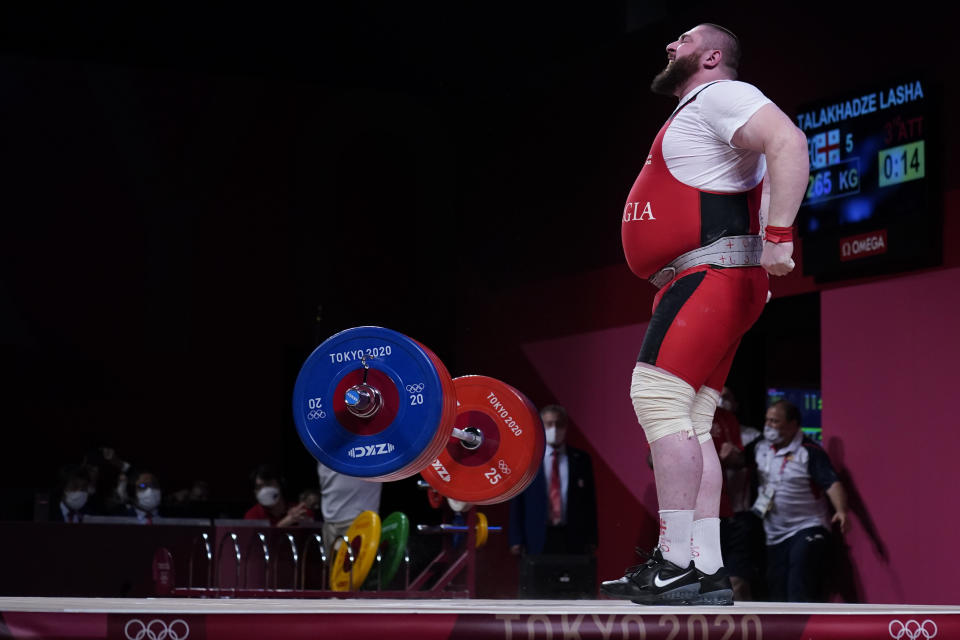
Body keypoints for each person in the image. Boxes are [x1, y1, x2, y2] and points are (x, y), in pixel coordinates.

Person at [600, 23, 809, 606]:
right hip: (713, 277)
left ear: (712, 57)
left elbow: (790, 144)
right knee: (691, 419)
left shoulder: (721, 94)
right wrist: (762, 258)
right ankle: (707, 567)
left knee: (657, 397)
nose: (671, 45)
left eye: (684, 40)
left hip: (710, 276)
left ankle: (672, 564)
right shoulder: (707, 111)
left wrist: (778, 240)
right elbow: (768, 169)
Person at [746, 400, 849, 601]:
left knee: (799, 584)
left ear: (793, 425)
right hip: (774, 534)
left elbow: (832, 483)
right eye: (767, 420)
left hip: (807, 527)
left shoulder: (809, 451)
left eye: (775, 421)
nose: (768, 425)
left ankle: (806, 632)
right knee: (776, 594)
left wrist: (841, 510)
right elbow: (737, 460)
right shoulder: (760, 447)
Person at [509, 405, 598, 595]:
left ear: (566, 426)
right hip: (537, 535)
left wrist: (592, 538)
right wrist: (516, 538)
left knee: (572, 589)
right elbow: (517, 501)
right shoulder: (528, 458)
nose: (554, 429)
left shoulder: (580, 459)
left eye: (559, 424)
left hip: (572, 535)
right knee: (536, 588)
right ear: (541, 426)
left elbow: (589, 503)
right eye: (549, 424)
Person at [316, 462, 382, 558]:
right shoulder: (321, 449)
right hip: (329, 521)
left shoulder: (372, 451)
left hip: (359, 519)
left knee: (357, 570)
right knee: (333, 570)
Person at [244, 464, 315, 527]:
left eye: (268, 484)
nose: (264, 491)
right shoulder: (252, 515)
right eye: (259, 487)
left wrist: (306, 521)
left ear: (280, 485)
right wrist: (287, 521)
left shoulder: (298, 511)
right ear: (255, 492)